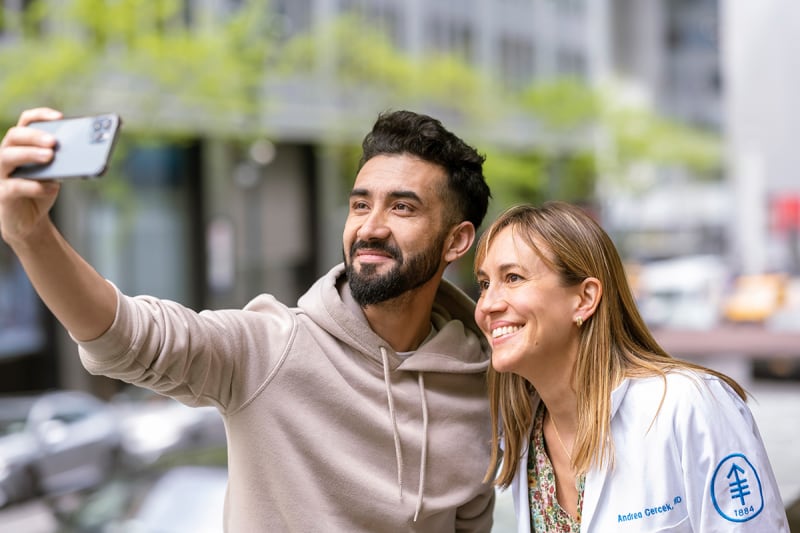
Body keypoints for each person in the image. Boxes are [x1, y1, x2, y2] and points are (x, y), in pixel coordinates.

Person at [0, 107, 496, 531]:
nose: (370, 227)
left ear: (457, 240)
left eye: (402, 207)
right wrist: (31, 236)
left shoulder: (482, 386)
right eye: (360, 204)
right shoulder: (272, 348)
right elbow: (125, 336)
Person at [472, 201, 790, 532]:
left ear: (584, 299)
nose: (487, 305)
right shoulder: (524, 437)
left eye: (512, 277)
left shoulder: (687, 405)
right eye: (484, 284)